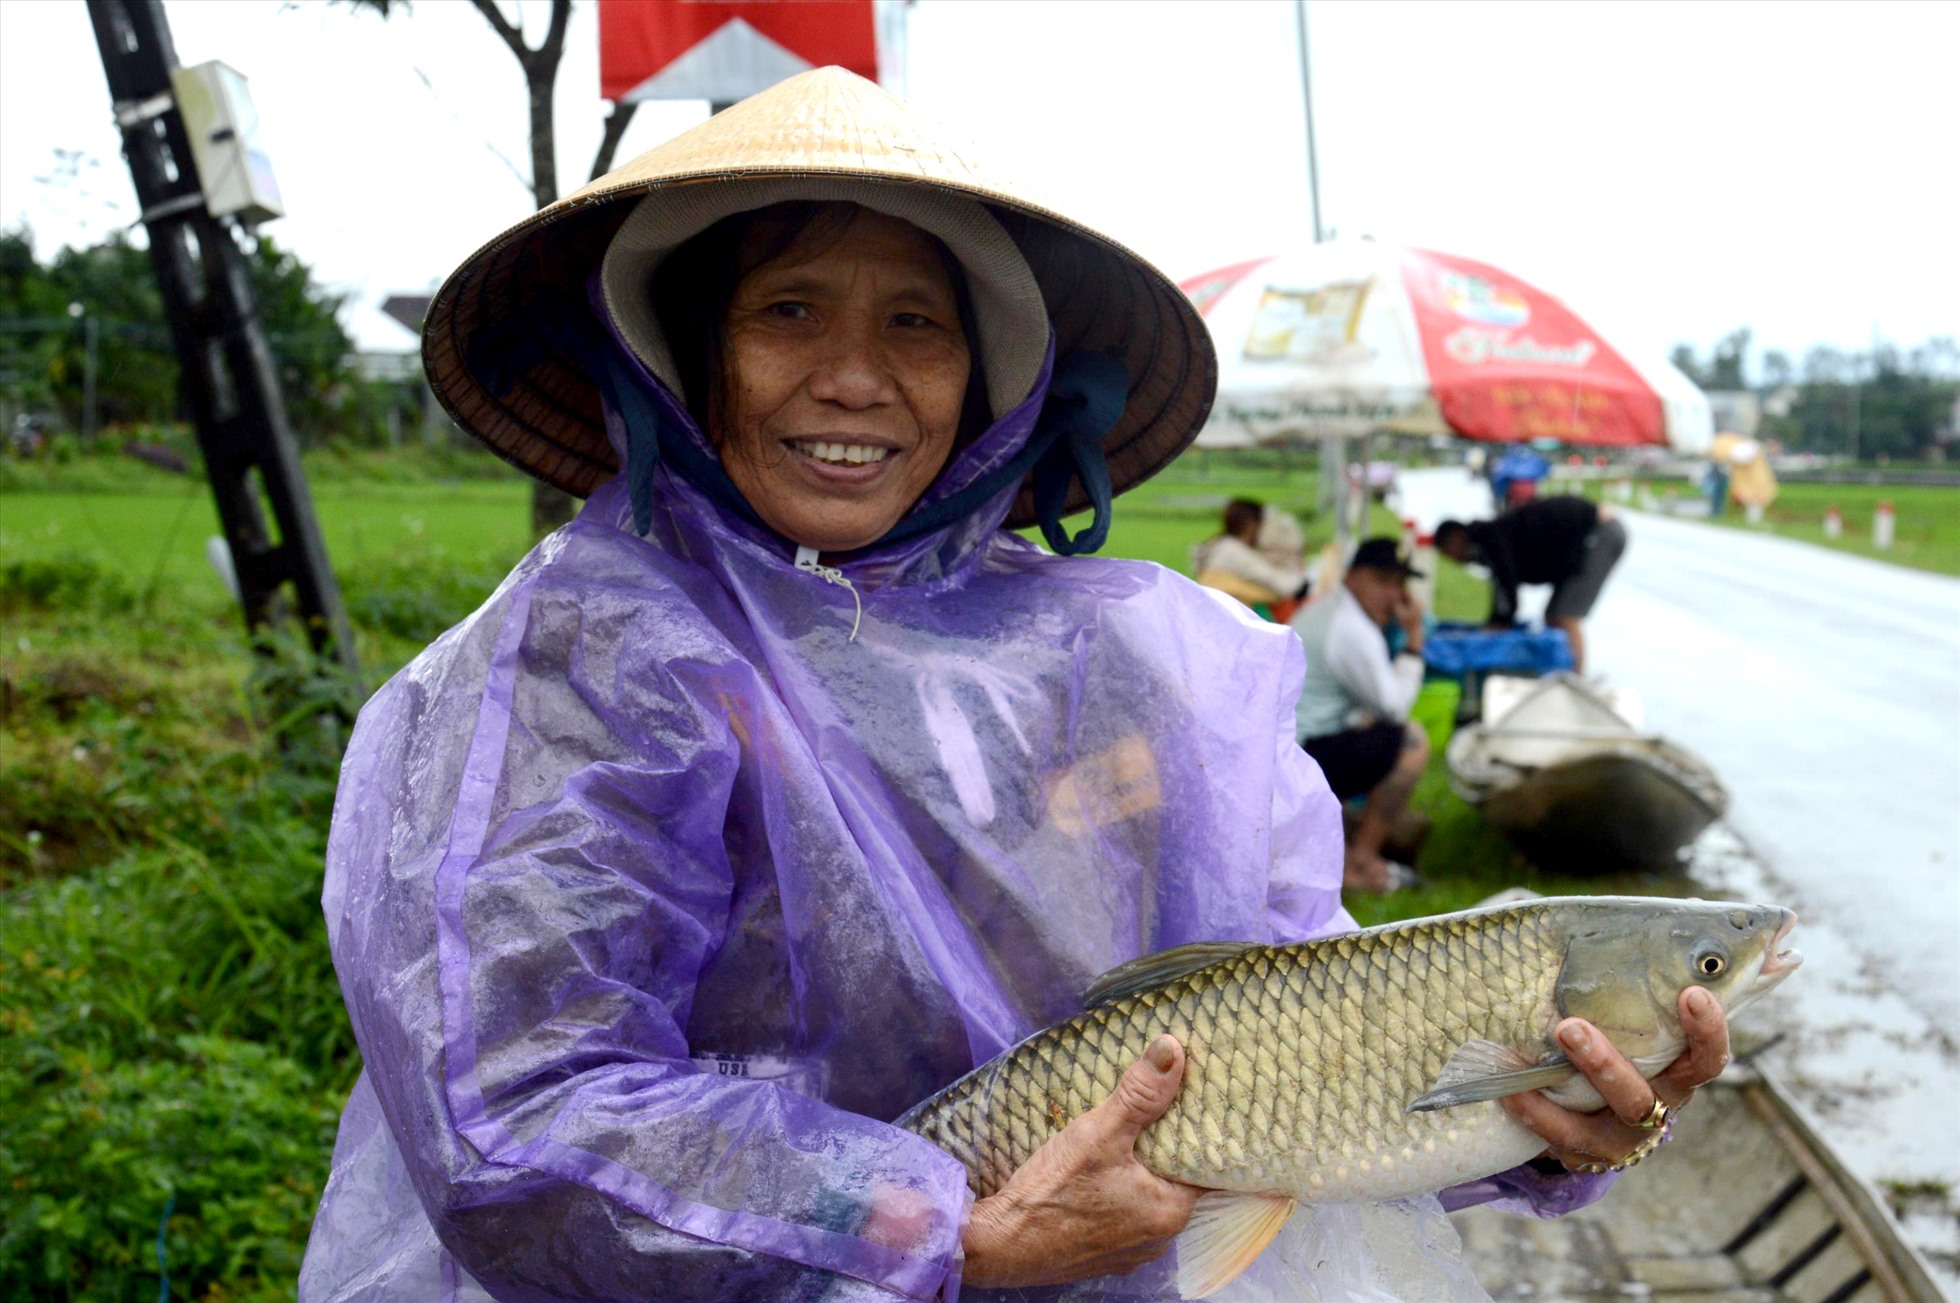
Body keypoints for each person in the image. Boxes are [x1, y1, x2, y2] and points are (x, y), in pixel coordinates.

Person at [300, 69, 1732, 1302]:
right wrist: (941, 1227)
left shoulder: (1145, 651)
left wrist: (1545, 1119)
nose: (854, 376)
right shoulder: (586, 656)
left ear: (995, 371)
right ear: (684, 350)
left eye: (917, 323)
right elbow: (518, 1114)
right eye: (788, 309)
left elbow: (1317, 1034)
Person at [1288, 538, 1432, 893]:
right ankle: (1361, 861)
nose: (1393, 595)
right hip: (1299, 755)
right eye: (1382, 581)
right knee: (1411, 740)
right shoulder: (1351, 628)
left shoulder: (1330, 609)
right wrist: (1414, 642)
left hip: (1290, 746)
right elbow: (1394, 707)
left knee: (1374, 728)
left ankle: (1342, 844)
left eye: (1399, 584)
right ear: (1353, 577)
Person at [1434, 496, 1627, 675]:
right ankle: (1567, 676)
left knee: (1564, 616)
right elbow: (1504, 591)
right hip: (1587, 536)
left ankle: (1576, 682)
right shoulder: (1491, 536)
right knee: (1553, 617)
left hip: (1599, 532)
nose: (1454, 561)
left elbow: (1505, 590)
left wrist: (1498, 624)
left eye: (1448, 553)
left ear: (1456, 539)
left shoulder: (1490, 538)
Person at [1191, 497, 1310, 615]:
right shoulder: (1232, 551)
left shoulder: (1221, 547)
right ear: (1251, 525)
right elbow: (1274, 581)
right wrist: (1301, 584)